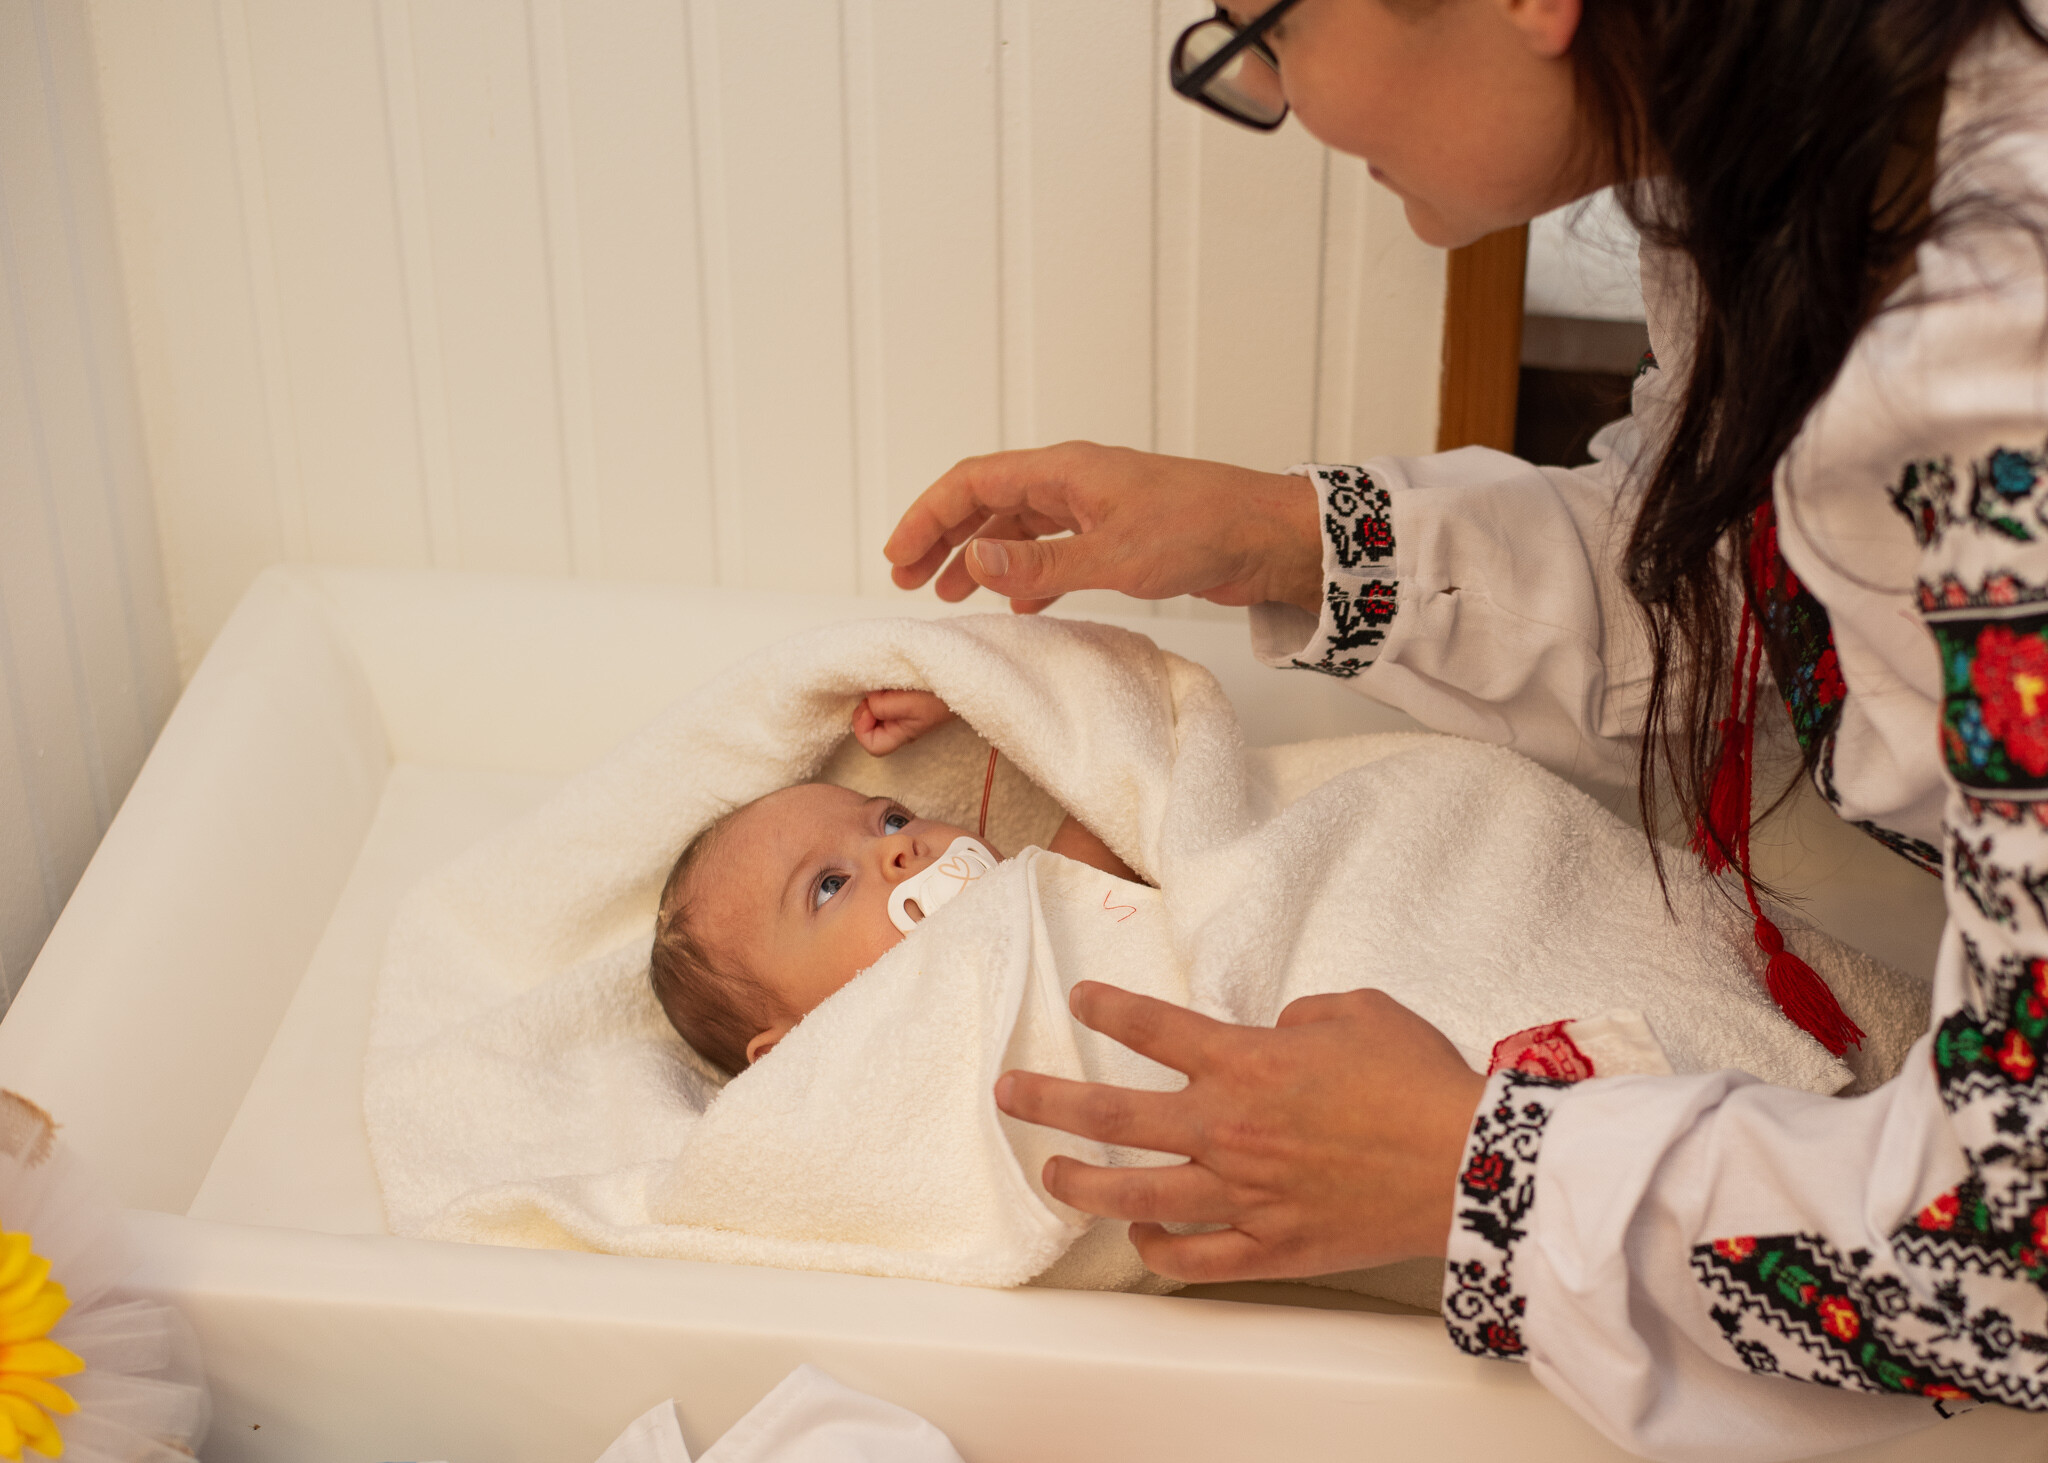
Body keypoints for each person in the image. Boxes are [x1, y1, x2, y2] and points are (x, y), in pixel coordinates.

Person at [882, 0, 2048, 1455]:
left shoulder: (1998, 391)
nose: (1269, 93)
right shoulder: (1798, 176)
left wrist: (1470, 1167)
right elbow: (1753, 577)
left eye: (1265, 26)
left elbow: (2013, 1251)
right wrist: (1278, 535)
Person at [650, 690, 1136, 1074]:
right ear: (792, 1051)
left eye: (892, 821)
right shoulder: (866, 1124)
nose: (898, 845)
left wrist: (974, 695)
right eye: (830, 885)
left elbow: (1123, 760)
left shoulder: (1052, 901)